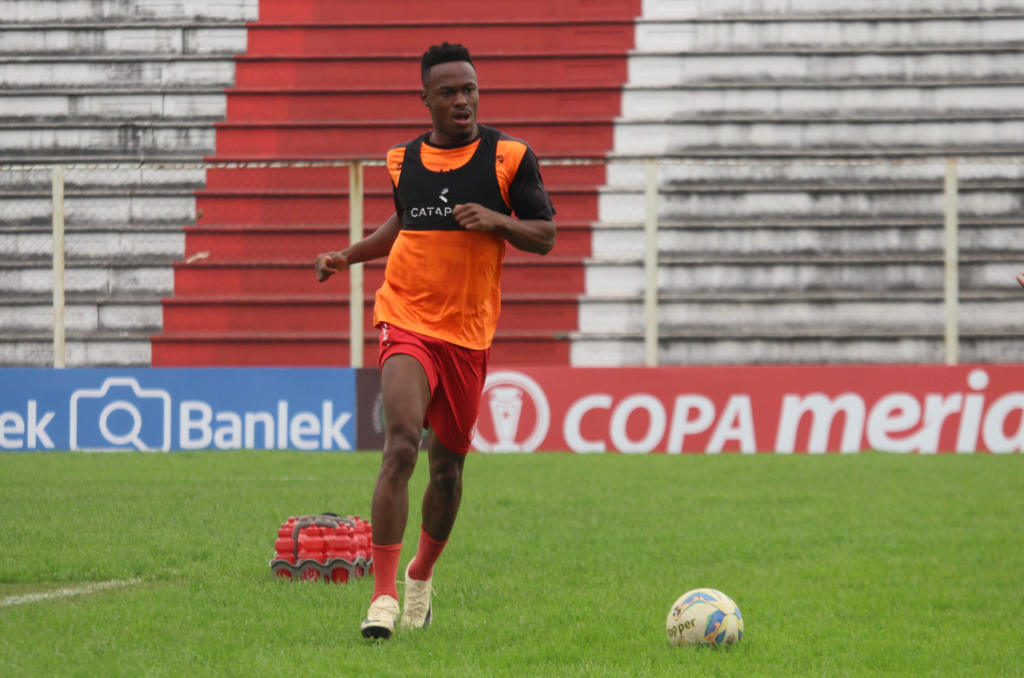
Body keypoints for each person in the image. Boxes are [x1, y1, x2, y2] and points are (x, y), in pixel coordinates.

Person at [314, 41, 556, 639]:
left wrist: (498, 220)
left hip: (469, 335)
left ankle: (421, 575)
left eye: (469, 89)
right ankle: (383, 598)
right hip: (407, 318)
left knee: (446, 470)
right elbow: (405, 221)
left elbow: (546, 235)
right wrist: (350, 254)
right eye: (448, 91)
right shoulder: (403, 160)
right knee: (400, 446)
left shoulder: (510, 157)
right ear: (425, 98)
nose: (462, 100)